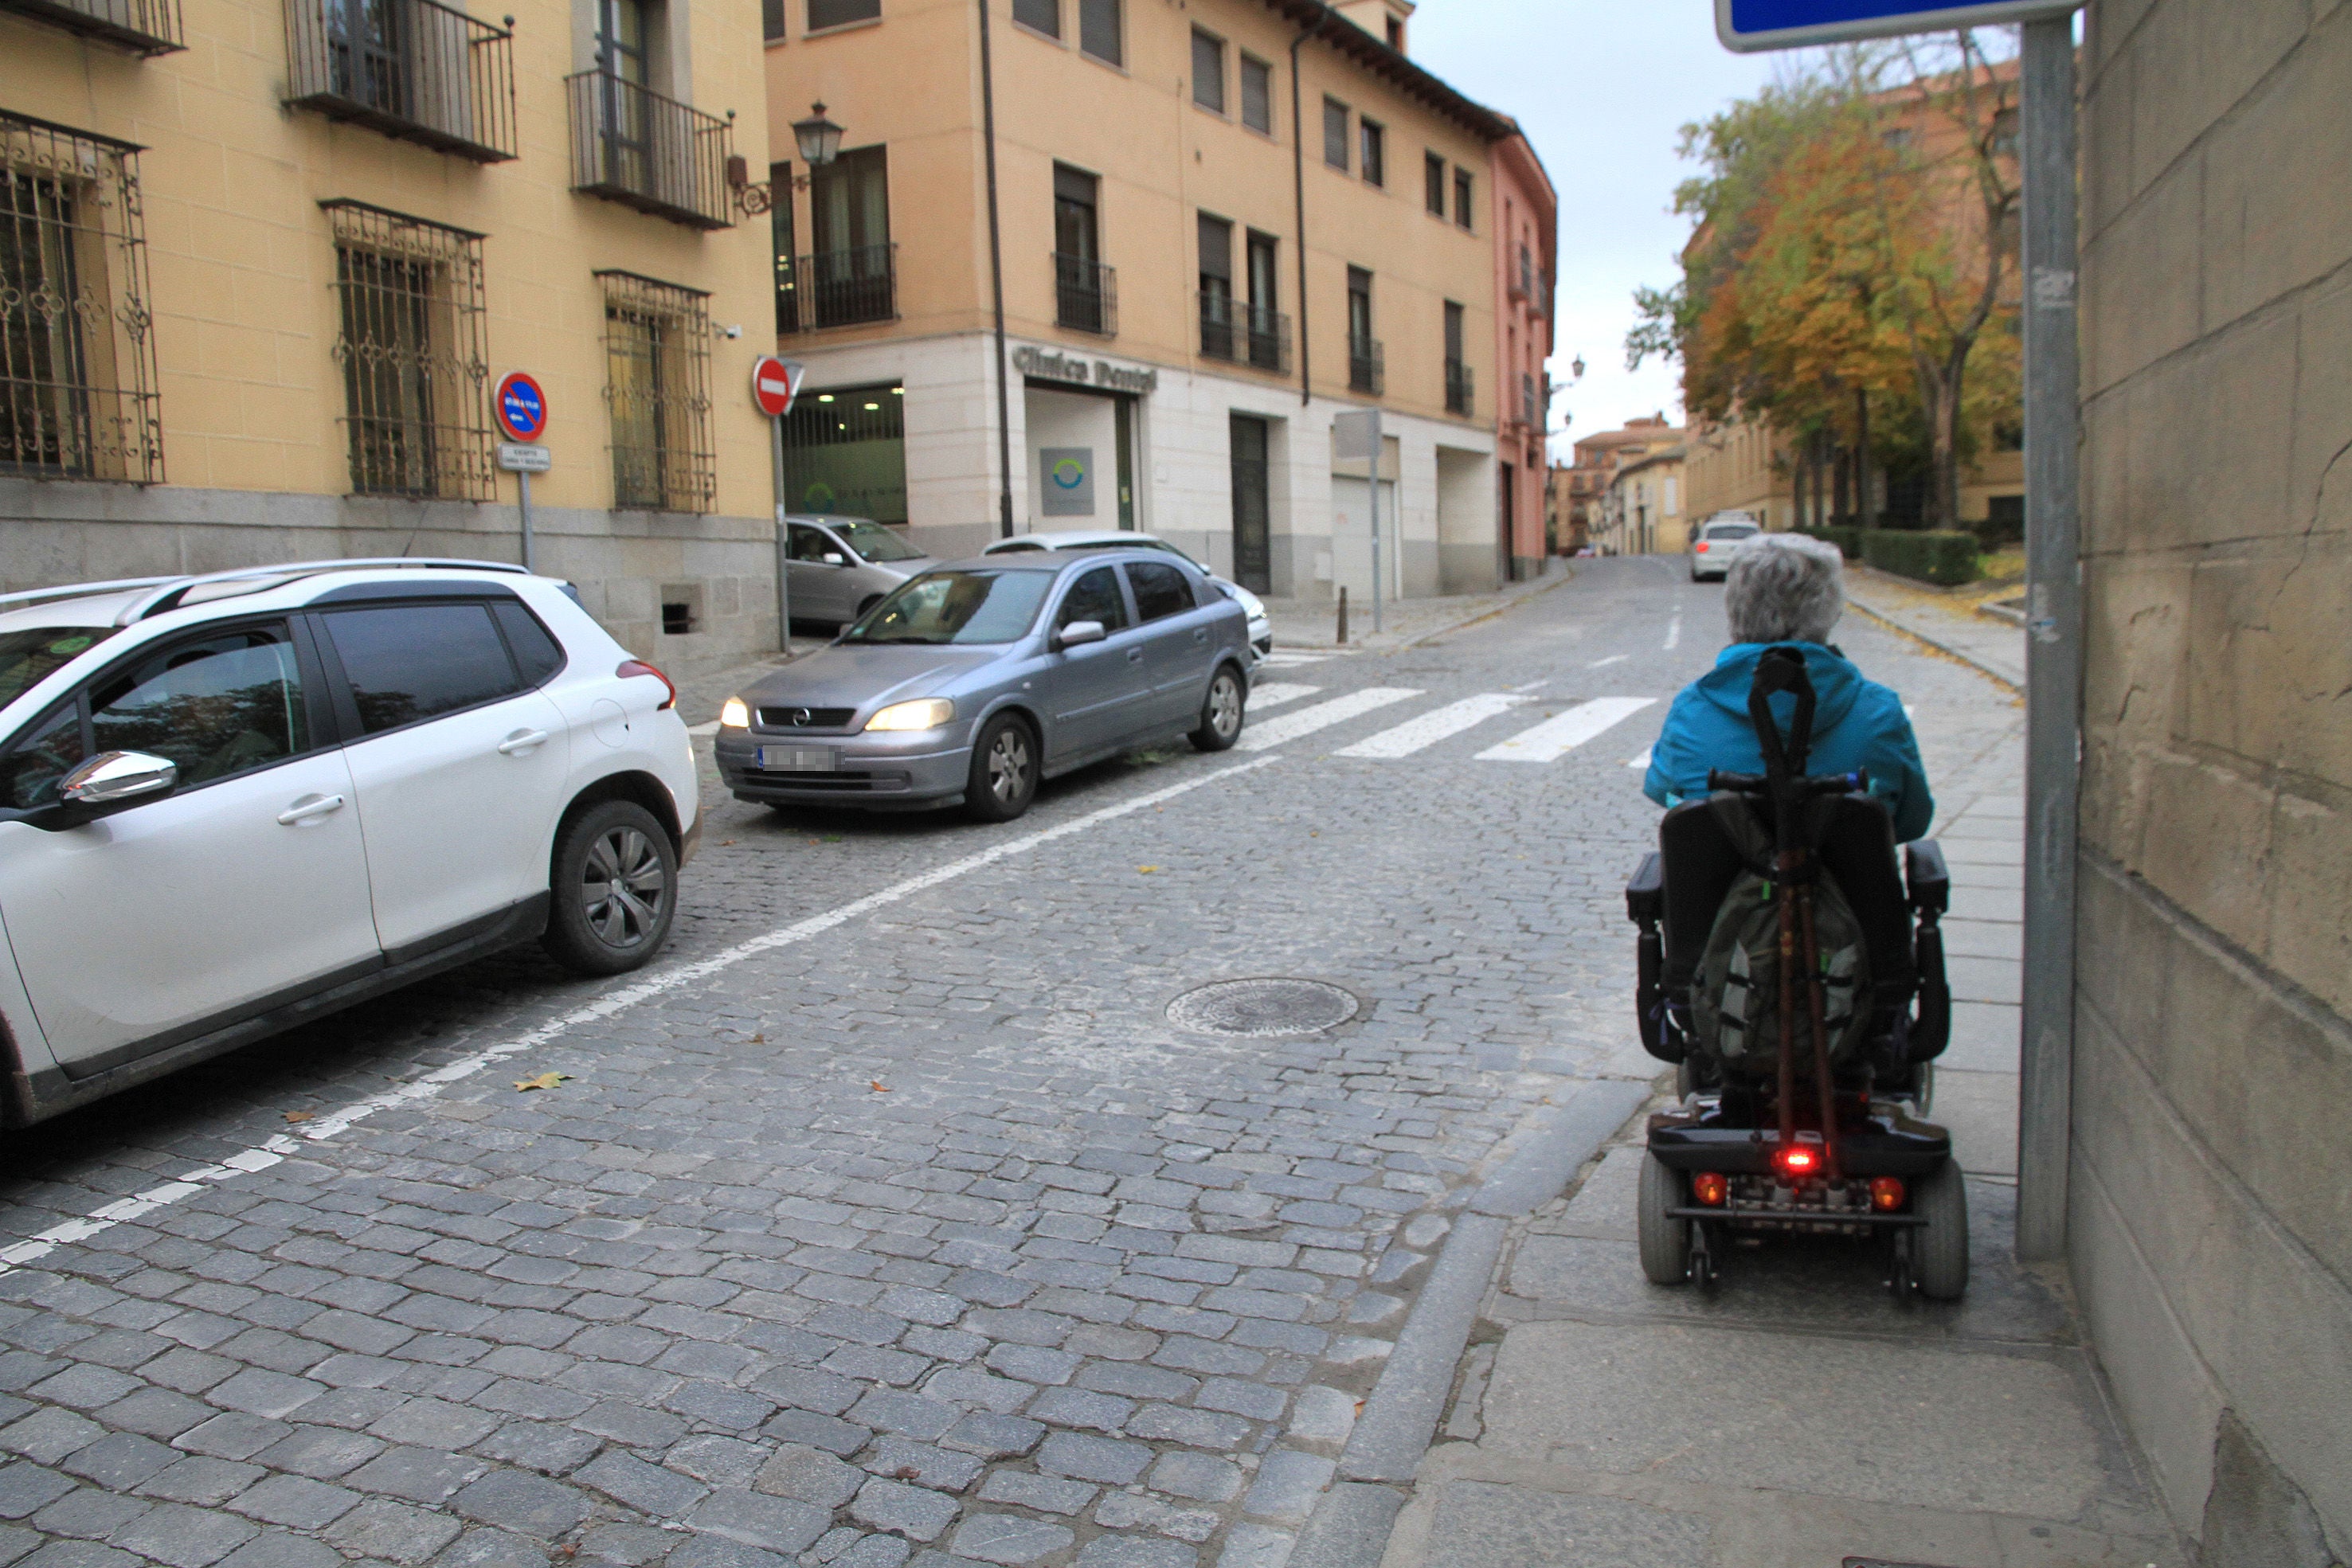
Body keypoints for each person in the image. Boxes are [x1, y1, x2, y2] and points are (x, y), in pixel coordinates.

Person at [1643, 534, 1933, 841]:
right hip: (1853, 885)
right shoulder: (1879, 710)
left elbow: (1661, 789)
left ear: (1734, 608)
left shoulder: (1693, 709)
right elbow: (1912, 821)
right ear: (1832, 609)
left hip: (1722, 884)